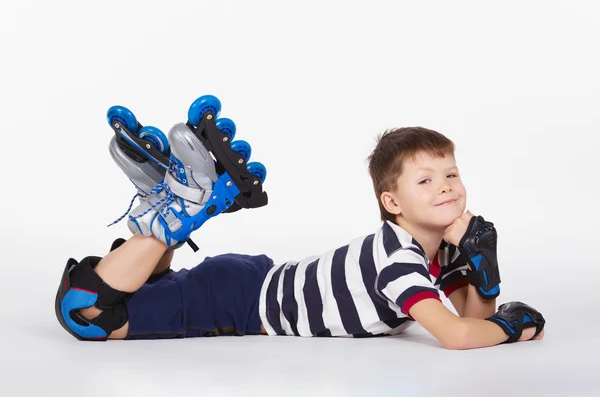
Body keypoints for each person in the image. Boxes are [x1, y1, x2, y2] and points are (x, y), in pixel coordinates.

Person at [55, 97, 545, 349]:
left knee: (128, 299)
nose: (446, 187)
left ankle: (165, 204)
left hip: (253, 281)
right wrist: (510, 325)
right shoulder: (398, 261)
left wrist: (487, 270)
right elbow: (460, 337)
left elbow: (472, 319)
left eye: (451, 174)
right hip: (241, 303)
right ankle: (173, 214)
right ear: (391, 202)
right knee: (88, 314)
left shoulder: (442, 248)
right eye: (426, 180)